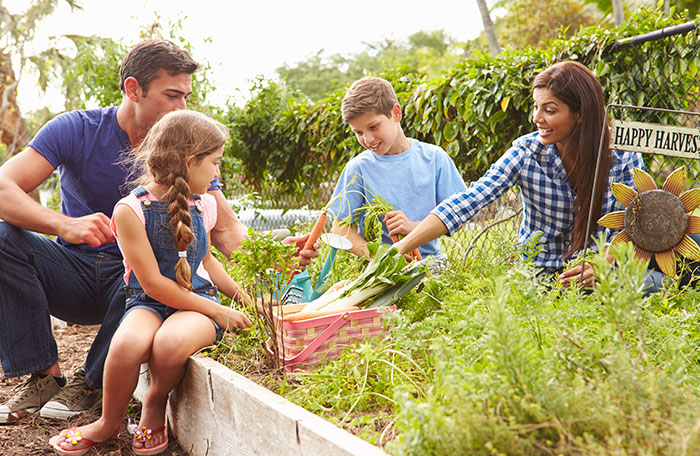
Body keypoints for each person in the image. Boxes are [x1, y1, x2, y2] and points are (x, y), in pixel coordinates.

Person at [0, 38, 315, 425]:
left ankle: (92, 382)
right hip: (74, 274)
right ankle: (43, 377)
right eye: (172, 95)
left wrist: (278, 254)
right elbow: (3, 188)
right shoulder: (75, 129)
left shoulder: (186, 143)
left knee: (143, 276)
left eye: (186, 96)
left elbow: (227, 232)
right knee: (2, 237)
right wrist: (63, 224)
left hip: (137, 281)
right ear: (134, 89)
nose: (182, 106)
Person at [48, 109, 252, 455]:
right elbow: (154, 284)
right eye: (215, 163)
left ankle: (154, 405)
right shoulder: (130, 210)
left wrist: (243, 301)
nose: (218, 172)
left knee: (169, 345)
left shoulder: (205, 205)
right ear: (190, 161)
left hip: (196, 302)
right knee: (127, 344)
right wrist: (218, 311)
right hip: (149, 300)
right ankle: (108, 423)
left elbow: (207, 262)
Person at [393, 61, 646, 289]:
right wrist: (400, 248)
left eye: (549, 110)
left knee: (650, 285)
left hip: (600, 275)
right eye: (536, 107)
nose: (537, 118)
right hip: (537, 276)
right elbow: (471, 199)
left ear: (580, 113)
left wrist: (600, 266)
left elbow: (631, 226)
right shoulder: (527, 152)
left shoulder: (622, 157)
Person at [327, 76, 467, 259]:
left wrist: (413, 227)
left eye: (373, 127)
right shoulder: (358, 168)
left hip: (430, 265)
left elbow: (460, 215)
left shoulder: (434, 158)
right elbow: (339, 227)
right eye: (358, 132)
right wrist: (379, 257)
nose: (367, 139)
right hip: (379, 273)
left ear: (396, 113)